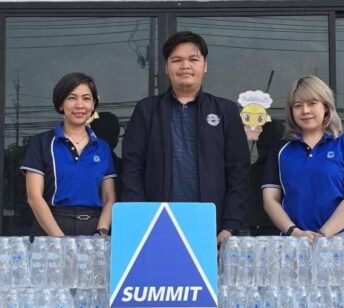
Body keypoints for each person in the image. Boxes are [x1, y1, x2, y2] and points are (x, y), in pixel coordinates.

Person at [122, 31, 250, 244]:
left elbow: (239, 170)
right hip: (157, 225)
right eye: (177, 60)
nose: (185, 66)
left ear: (205, 65)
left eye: (193, 59)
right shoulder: (147, 110)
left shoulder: (225, 110)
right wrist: (141, 218)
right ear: (166, 67)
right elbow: (132, 166)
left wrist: (230, 225)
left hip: (211, 227)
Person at [262, 75, 344, 241]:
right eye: (298, 105)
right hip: (294, 242)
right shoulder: (280, 150)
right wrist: (295, 232)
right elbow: (270, 199)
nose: (305, 111)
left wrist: (323, 234)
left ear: (326, 106)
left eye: (312, 103)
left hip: (342, 241)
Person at [21, 72, 116, 237]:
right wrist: (60, 241)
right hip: (51, 229)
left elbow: (109, 197)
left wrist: (101, 232)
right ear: (60, 104)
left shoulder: (102, 147)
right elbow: (34, 197)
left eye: (86, 98)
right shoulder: (41, 143)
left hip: (93, 229)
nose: (80, 105)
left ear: (93, 104)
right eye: (72, 98)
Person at [89, 111, 123, 201]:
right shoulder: (82, 165)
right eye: (109, 132)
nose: (114, 137)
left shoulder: (124, 167)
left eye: (115, 133)